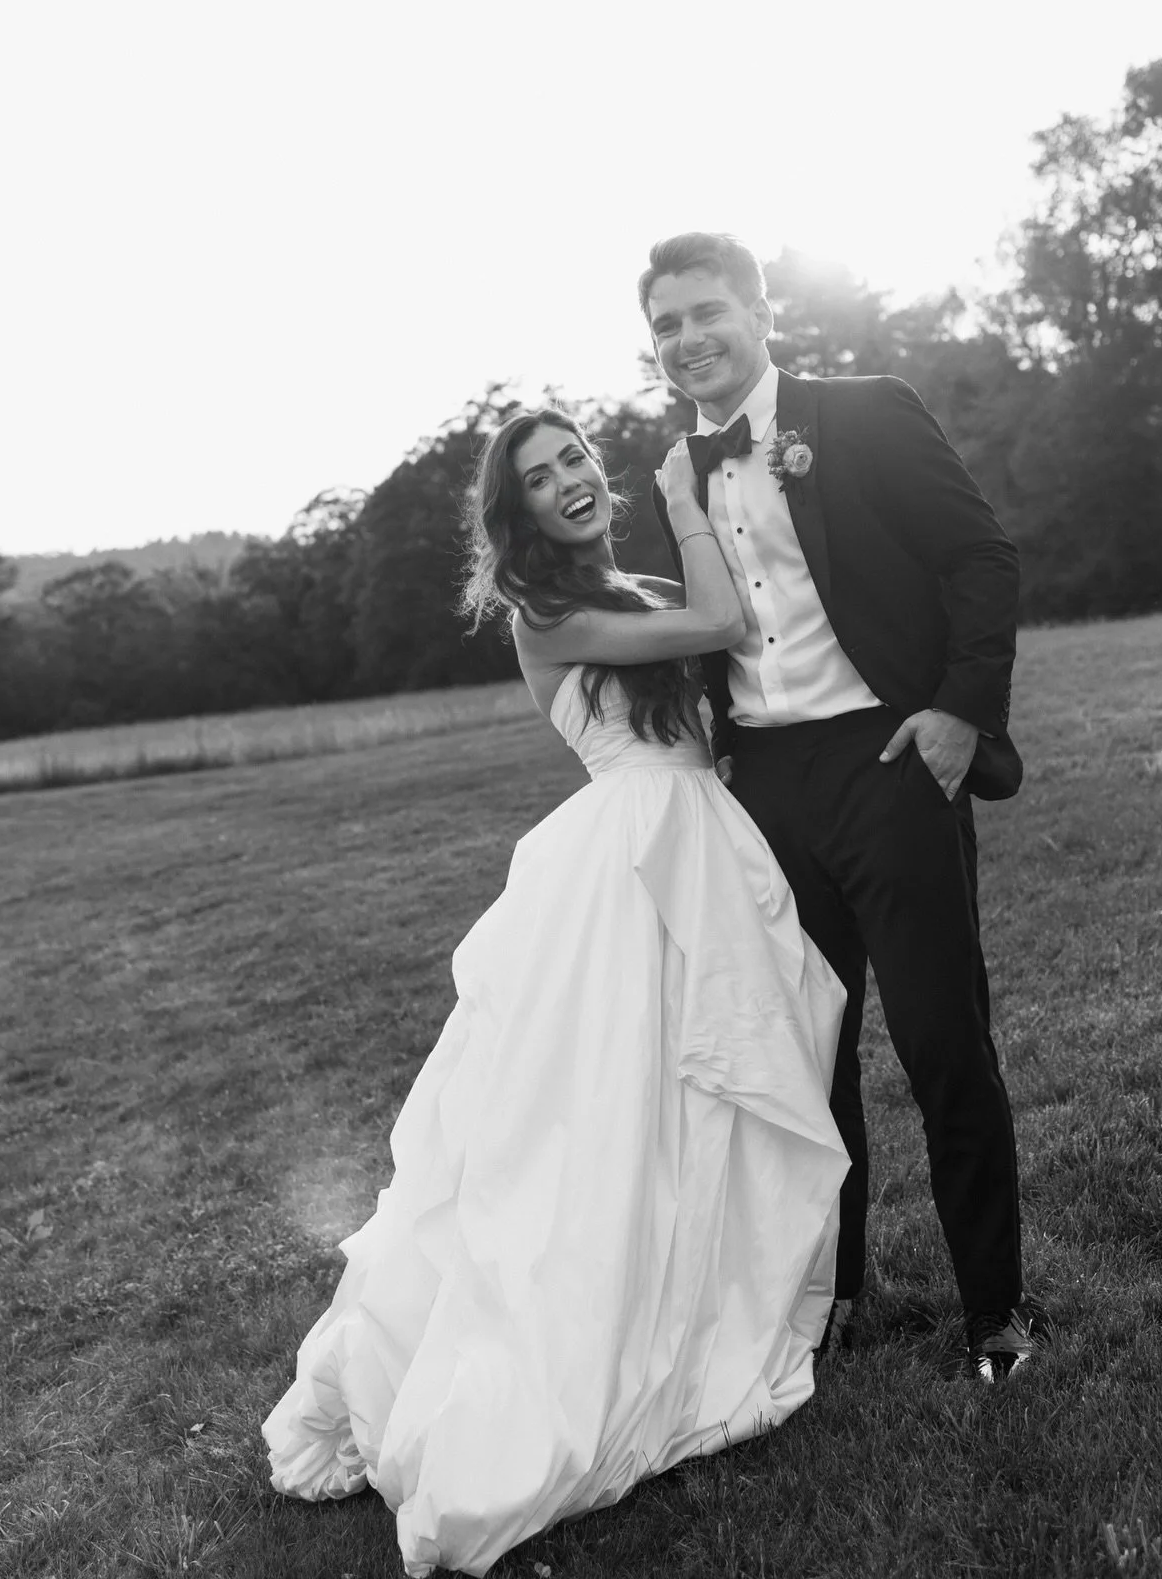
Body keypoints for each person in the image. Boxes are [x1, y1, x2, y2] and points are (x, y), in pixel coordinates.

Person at [262, 407, 850, 1578]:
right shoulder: (548, 613)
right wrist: (690, 499)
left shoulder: (627, 590)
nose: (570, 480)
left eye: (575, 458)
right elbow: (726, 620)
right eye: (539, 476)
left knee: (701, 1101)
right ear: (516, 509)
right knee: (606, 1121)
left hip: (702, 840)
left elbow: (727, 644)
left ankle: (706, 1302)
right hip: (626, 861)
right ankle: (586, 1349)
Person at [641, 231, 1043, 1383]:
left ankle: (996, 1312)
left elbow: (979, 556)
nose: (689, 340)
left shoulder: (864, 411)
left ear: (761, 311)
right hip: (761, 789)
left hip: (890, 761)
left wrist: (960, 711)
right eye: (666, 326)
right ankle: (834, 1295)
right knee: (805, 1065)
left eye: (706, 311)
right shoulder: (672, 471)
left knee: (939, 1040)